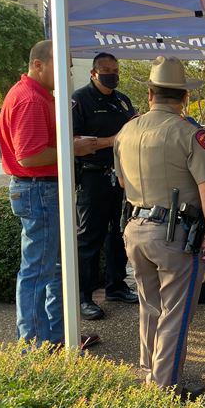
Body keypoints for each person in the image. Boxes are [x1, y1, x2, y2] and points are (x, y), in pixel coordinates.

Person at [114, 56, 205, 390]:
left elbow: (121, 183)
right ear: (184, 96)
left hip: (135, 228)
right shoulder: (188, 133)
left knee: (149, 306)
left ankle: (149, 373)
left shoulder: (126, 131)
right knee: (174, 313)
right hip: (174, 234)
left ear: (149, 94)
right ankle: (165, 387)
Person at [0, 40, 98, 346]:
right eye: (61, 66)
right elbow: (29, 156)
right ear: (38, 64)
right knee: (39, 272)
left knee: (54, 269)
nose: (66, 73)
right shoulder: (29, 99)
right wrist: (73, 148)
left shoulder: (37, 95)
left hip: (41, 190)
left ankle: (57, 337)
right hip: (38, 190)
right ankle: (33, 346)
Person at [72, 52, 138, 321]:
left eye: (115, 69)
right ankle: (83, 298)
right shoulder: (79, 101)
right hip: (93, 177)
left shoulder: (122, 100)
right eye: (106, 69)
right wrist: (114, 139)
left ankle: (116, 286)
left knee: (119, 233)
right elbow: (75, 142)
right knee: (89, 238)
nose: (112, 74)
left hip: (122, 177)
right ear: (93, 73)